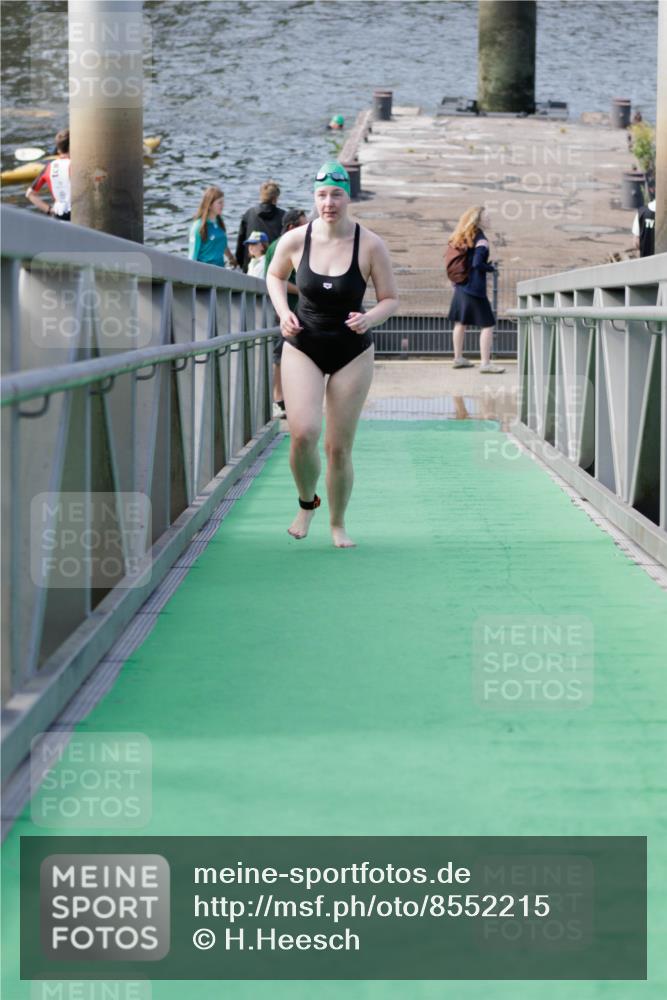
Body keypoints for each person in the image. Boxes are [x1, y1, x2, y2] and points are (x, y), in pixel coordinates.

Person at [266, 161, 398, 548]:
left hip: (351, 350)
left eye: (336, 194)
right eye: (322, 195)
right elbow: (274, 276)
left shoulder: (370, 244)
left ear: (348, 197)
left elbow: (391, 299)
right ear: (313, 198)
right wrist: (283, 313)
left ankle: (338, 523)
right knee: (303, 433)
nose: (329, 203)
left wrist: (370, 317)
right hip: (303, 344)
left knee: (338, 447)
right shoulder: (295, 240)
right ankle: (307, 504)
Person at [447, 205, 505, 374]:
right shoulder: (481, 240)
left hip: (460, 287)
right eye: (487, 217)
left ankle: (458, 358)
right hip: (474, 289)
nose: (489, 220)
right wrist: (490, 268)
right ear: (478, 220)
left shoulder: (463, 237)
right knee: (488, 324)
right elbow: (476, 263)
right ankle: (485, 363)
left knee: (460, 323)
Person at [264, 208, 308, 418]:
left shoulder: (297, 244)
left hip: (298, 309)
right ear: (291, 227)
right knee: (280, 354)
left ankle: (291, 398)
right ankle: (278, 399)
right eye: (303, 224)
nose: (308, 228)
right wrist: (303, 290)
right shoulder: (280, 246)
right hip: (284, 309)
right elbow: (274, 278)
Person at [235, 180, 285, 272]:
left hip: (251, 265)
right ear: (275, 198)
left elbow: (240, 245)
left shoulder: (249, 214)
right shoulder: (283, 216)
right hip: (274, 268)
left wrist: (241, 264)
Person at [25, 128, 71, 220]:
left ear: (58, 149)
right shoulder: (78, 165)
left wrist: (49, 210)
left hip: (58, 215)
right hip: (78, 216)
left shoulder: (49, 167)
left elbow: (30, 194)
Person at [188, 186, 238, 267]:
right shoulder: (198, 226)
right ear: (210, 205)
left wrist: (231, 258)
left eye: (223, 202)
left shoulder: (219, 223)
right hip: (204, 271)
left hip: (220, 270)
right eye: (219, 202)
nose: (223, 205)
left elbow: (222, 244)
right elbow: (192, 254)